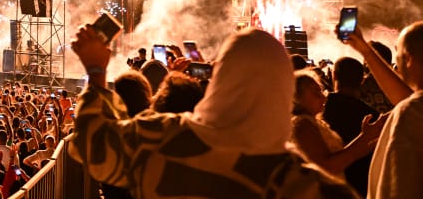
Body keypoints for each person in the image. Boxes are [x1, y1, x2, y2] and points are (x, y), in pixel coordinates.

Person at [67, 25, 358, 198]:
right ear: (283, 90)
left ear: (219, 79)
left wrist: (96, 70)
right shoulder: (305, 187)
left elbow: (93, 146)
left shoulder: (158, 137)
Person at [342, 21, 423, 199]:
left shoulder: (410, 112)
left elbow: (401, 187)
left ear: (408, 59)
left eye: (398, 52)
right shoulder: (415, 108)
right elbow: (406, 97)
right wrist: (365, 51)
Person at [289, 70, 383, 184]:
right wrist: (365, 139)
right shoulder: (303, 124)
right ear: (296, 97)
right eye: (315, 92)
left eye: (321, 91)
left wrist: (367, 139)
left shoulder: (316, 122)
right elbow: (326, 167)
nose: (322, 96)